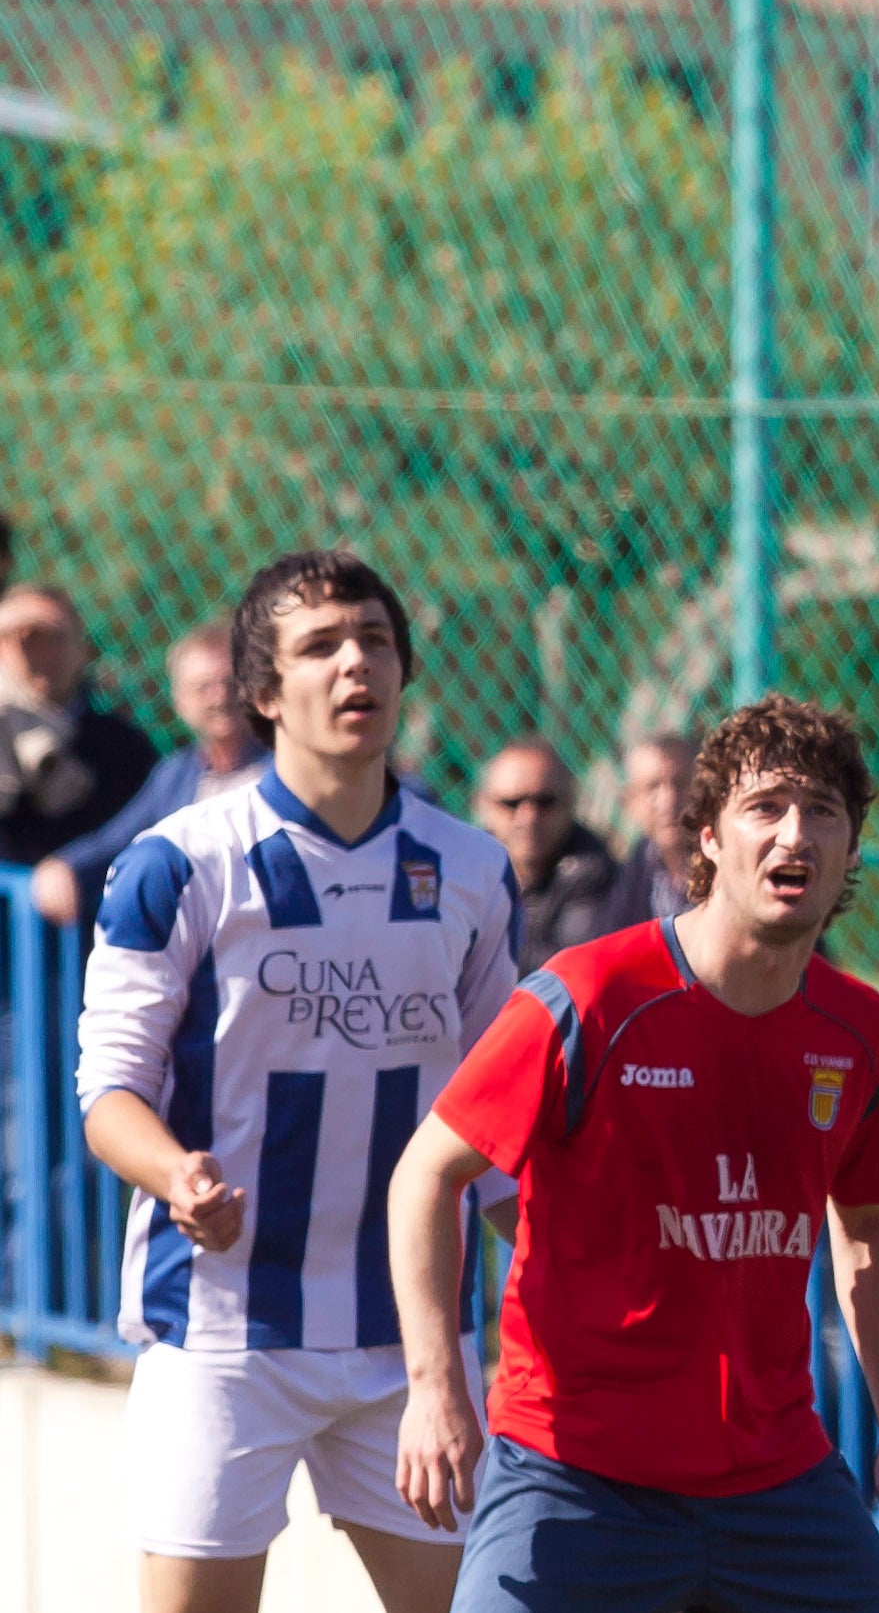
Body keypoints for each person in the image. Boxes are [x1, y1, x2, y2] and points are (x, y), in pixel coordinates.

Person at [389, 695, 879, 1612]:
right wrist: (434, 1388)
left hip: (776, 1481)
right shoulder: (589, 994)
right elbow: (426, 1173)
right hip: (576, 1475)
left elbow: (866, 1231)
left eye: (823, 811)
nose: (795, 834)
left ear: (852, 847)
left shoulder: (858, 1030)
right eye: (765, 807)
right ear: (707, 838)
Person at [74, 550, 521, 1613]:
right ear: (265, 693)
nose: (354, 663)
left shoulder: (470, 867)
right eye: (320, 646)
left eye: (373, 640)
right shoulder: (177, 863)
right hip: (222, 1332)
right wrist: (179, 1177)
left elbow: (498, 1112)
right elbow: (108, 1094)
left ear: (404, 673)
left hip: (410, 1343)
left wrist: (568, 1261)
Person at [33, 623, 269, 929]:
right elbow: (115, 839)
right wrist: (62, 865)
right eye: (203, 687)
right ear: (180, 700)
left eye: (230, 683)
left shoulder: (285, 768)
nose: (219, 698)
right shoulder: (176, 774)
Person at [0, 583, 162, 867]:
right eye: (24, 640)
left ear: (82, 648)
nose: (42, 654)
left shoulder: (122, 746)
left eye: (55, 638)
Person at [472, 737, 616, 975]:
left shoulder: (590, 869)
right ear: (484, 807)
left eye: (545, 802)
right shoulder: (466, 862)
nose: (529, 817)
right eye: (511, 803)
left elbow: (569, 967)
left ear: (570, 804)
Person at [597, 731, 695, 932]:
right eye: (652, 788)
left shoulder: (725, 861)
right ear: (629, 802)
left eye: (681, 783)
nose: (669, 801)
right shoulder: (637, 868)